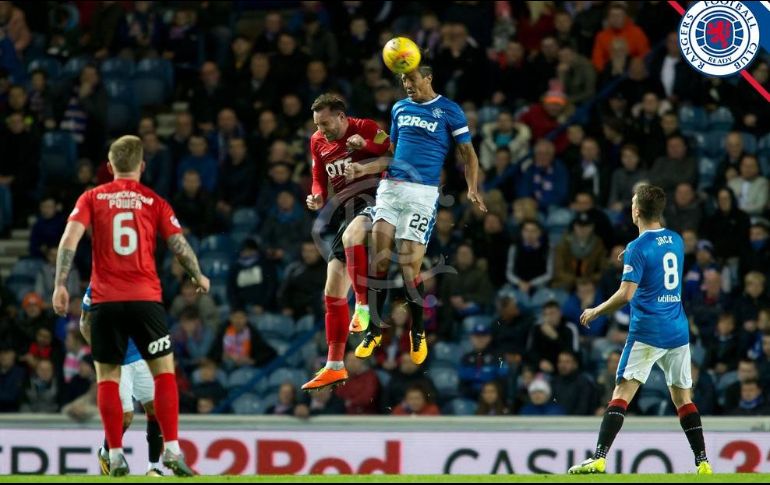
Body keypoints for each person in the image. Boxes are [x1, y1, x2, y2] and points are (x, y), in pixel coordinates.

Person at [52, 135, 209, 476]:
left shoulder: (91, 198)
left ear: (109, 167)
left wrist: (60, 285)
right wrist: (198, 275)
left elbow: (68, 240)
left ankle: (118, 455)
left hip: (105, 300)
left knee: (106, 378)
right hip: (144, 297)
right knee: (165, 373)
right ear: (142, 165)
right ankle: (172, 450)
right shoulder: (153, 200)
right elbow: (179, 245)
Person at [569, 184, 712, 475]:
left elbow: (626, 295)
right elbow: (657, 261)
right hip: (677, 331)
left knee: (621, 392)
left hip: (647, 331)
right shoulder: (676, 240)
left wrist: (595, 311)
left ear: (636, 210)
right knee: (683, 399)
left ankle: (598, 457)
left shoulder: (637, 249)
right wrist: (632, 257)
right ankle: (703, 462)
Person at [349, 63, 486, 365]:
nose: (407, 85)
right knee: (379, 258)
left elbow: (468, 154)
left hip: (422, 194)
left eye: (411, 79)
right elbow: (395, 150)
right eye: (402, 80)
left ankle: (418, 331)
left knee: (410, 269)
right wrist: (365, 165)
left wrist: (472, 187)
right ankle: (373, 331)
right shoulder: (399, 107)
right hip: (391, 188)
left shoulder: (450, 110)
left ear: (428, 78)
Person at [300, 94, 390, 391]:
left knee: (353, 236)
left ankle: (363, 306)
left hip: (377, 198)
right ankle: (334, 365)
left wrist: (366, 146)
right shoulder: (316, 141)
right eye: (317, 124)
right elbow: (317, 176)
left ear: (341, 116)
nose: (322, 130)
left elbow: (393, 152)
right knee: (332, 290)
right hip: (345, 210)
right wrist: (316, 196)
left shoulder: (365, 126)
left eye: (326, 123)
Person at [82, 285, 164, 477]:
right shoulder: (97, 286)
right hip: (116, 361)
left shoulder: (141, 278)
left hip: (142, 356)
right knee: (125, 417)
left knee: (156, 409)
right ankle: (105, 453)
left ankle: (153, 467)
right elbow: (84, 323)